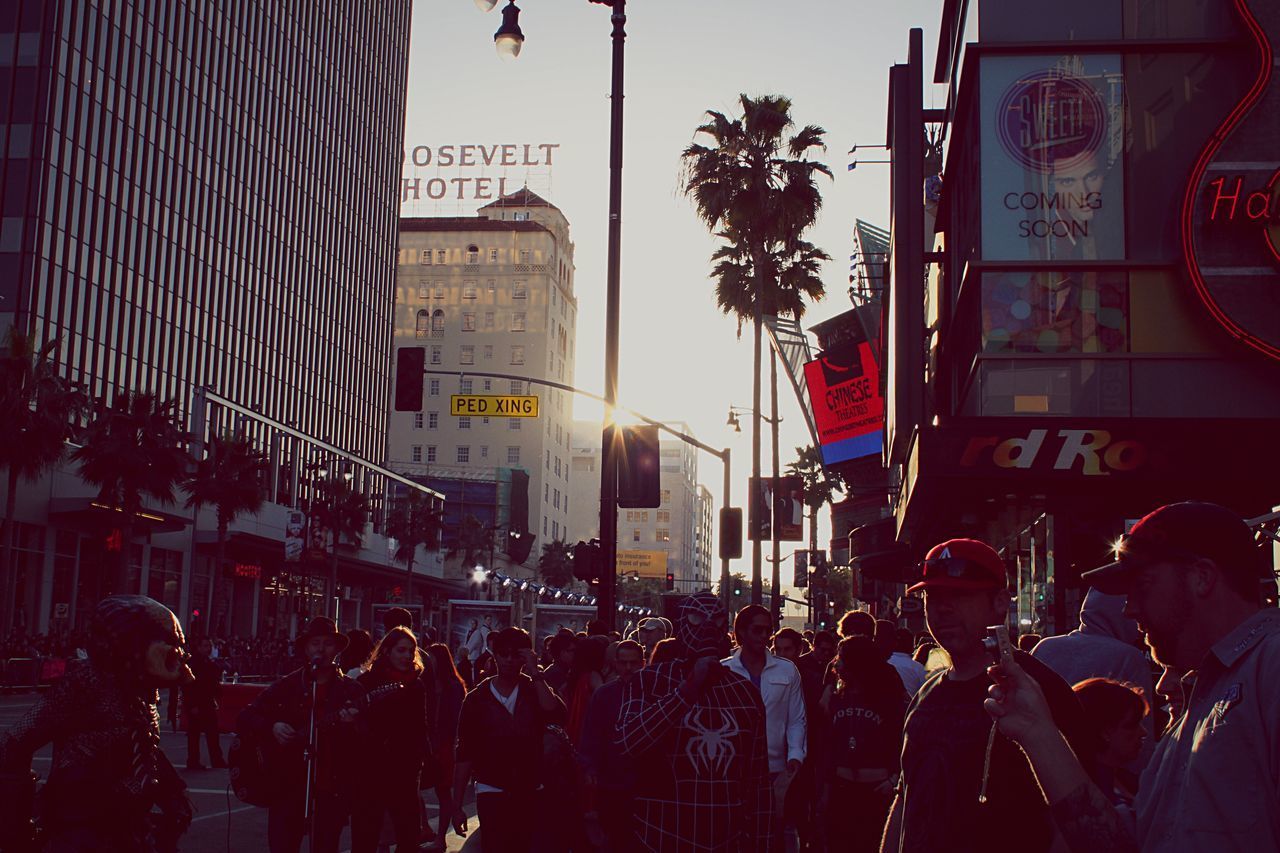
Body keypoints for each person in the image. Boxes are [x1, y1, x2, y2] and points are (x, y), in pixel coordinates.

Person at [984, 501, 1280, 852]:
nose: (1130, 609)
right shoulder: (1192, 710)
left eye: (1144, 585)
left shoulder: (1270, 666)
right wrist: (1038, 732)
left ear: (1201, 577)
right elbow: (1121, 844)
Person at [880, 538, 1092, 853]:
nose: (943, 608)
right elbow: (906, 797)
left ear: (1000, 602)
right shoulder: (925, 695)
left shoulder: (1036, 692)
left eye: (960, 595)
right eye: (933, 596)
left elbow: (1076, 818)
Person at [0, 596, 194, 852]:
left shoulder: (140, 691)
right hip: (81, 823)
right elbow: (16, 741)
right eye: (170, 644)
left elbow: (144, 746)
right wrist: (17, 824)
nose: (180, 655)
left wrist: (172, 795)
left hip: (128, 823)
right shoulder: (84, 683)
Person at [617, 591, 771, 852]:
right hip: (663, 834)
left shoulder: (744, 694)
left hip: (727, 836)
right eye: (698, 618)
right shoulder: (651, 681)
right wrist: (687, 690)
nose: (709, 628)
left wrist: (761, 841)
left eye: (718, 620)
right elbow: (628, 742)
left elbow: (757, 783)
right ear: (682, 624)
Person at [238, 617, 366, 853]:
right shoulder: (288, 685)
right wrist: (273, 726)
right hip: (288, 785)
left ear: (337, 650)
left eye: (327, 643)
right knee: (283, 844)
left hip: (331, 788)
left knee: (326, 845)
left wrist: (353, 725)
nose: (321, 649)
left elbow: (366, 741)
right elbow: (246, 717)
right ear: (306, 649)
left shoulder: (351, 690)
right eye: (315, 643)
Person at [452, 627, 567, 853]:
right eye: (503, 653)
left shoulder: (533, 689)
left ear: (525, 658)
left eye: (516, 655)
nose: (508, 660)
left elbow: (555, 713)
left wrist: (535, 672)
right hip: (491, 788)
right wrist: (456, 806)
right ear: (494, 654)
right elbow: (464, 753)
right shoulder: (477, 699)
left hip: (531, 788)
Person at [723, 605, 806, 853]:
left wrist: (795, 757)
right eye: (757, 630)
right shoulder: (725, 669)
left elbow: (796, 718)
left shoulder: (787, 670)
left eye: (767, 630)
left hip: (776, 769)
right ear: (740, 633)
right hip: (732, 770)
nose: (763, 636)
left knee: (774, 834)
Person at [819, 636, 906, 853]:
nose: (836, 663)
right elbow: (830, 745)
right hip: (842, 788)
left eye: (842, 657)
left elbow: (903, 739)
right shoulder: (837, 697)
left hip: (876, 790)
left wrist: (894, 778)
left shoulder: (887, 697)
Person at [351, 626, 433, 853]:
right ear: (387, 651)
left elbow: (420, 726)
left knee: (408, 834)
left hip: (405, 768)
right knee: (366, 832)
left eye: (411, 650)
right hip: (372, 768)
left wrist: (420, 760)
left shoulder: (416, 684)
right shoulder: (366, 682)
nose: (407, 656)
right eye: (401, 650)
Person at [578, 639, 645, 852]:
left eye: (633, 663)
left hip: (642, 782)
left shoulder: (651, 691)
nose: (628, 668)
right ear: (615, 663)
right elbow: (590, 734)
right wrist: (589, 767)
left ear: (642, 663)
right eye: (624, 663)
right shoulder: (604, 694)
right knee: (615, 836)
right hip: (612, 780)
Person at [1072, 677, 1148, 831]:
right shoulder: (1082, 789)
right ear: (1105, 731)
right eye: (1132, 725)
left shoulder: (1129, 779)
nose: (1143, 732)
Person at [425, 643, 468, 849]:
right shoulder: (428, 682)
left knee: (443, 790)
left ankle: (440, 836)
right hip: (429, 741)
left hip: (444, 743)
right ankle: (426, 829)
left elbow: (454, 719)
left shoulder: (451, 685)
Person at [182, 635, 227, 769]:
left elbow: (213, 682)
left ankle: (216, 760)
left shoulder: (208, 662)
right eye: (205, 646)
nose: (208, 649)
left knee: (212, 732)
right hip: (197, 701)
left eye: (209, 646)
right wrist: (192, 705)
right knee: (195, 733)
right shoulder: (193, 663)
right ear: (199, 647)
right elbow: (188, 686)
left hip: (207, 701)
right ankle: (193, 761)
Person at [886, 626, 927, 697]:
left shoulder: (884, 662)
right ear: (912, 646)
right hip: (910, 706)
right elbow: (925, 693)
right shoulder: (918, 667)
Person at [542, 632, 575, 697]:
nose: (575, 653)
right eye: (572, 650)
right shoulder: (554, 674)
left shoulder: (564, 670)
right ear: (562, 652)